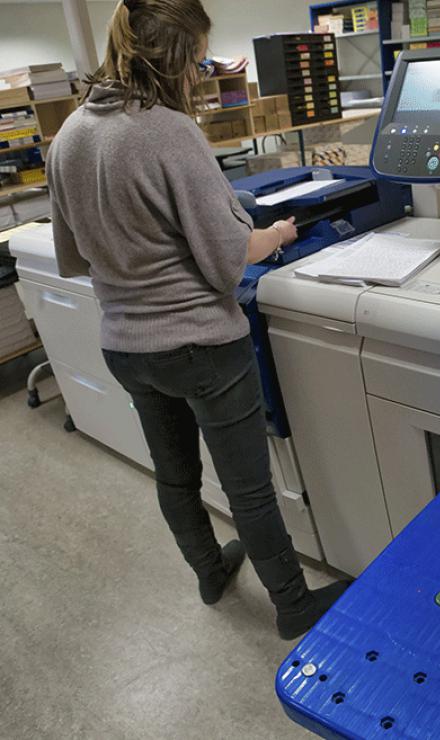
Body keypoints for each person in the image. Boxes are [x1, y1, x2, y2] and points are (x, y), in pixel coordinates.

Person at [46, 0, 349, 640]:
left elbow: (73, 255)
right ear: (181, 57)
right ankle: (293, 606)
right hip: (201, 347)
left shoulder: (69, 135)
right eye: (198, 61)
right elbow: (226, 260)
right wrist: (275, 233)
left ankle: (210, 572)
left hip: (126, 347)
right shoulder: (167, 131)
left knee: (176, 475)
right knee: (250, 488)